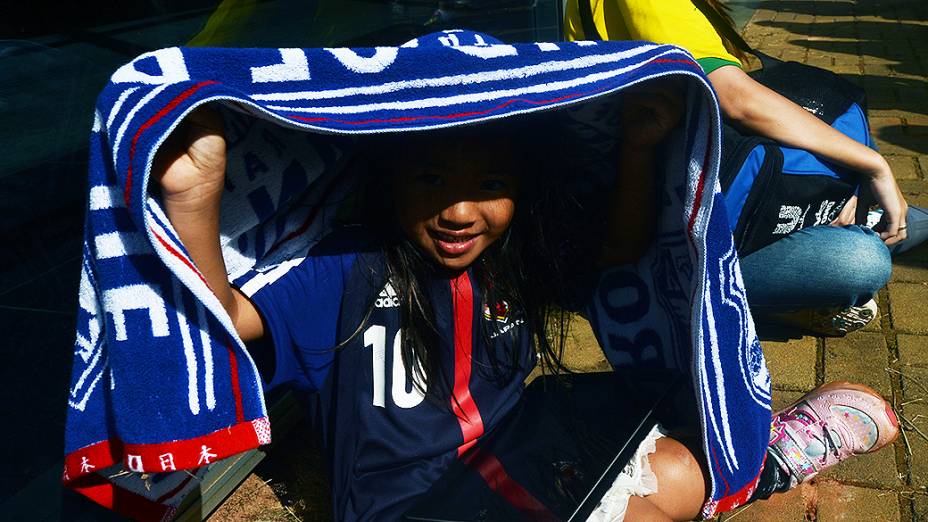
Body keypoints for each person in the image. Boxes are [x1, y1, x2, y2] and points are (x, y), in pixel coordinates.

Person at [153, 83, 898, 521]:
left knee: (676, 459)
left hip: (526, 459)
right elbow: (223, 321)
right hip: (416, 512)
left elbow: (622, 250)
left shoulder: (517, 259)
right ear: (386, 185)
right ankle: (762, 470)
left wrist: (639, 151)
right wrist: (195, 198)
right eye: (430, 180)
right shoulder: (344, 269)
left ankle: (762, 460)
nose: (458, 211)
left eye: (490, 185)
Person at [564, 0, 927, 336]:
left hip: (696, 191)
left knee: (888, 196)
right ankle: (767, 298)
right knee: (862, 261)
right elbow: (737, 99)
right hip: (667, 240)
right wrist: (876, 165)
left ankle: (854, 217)